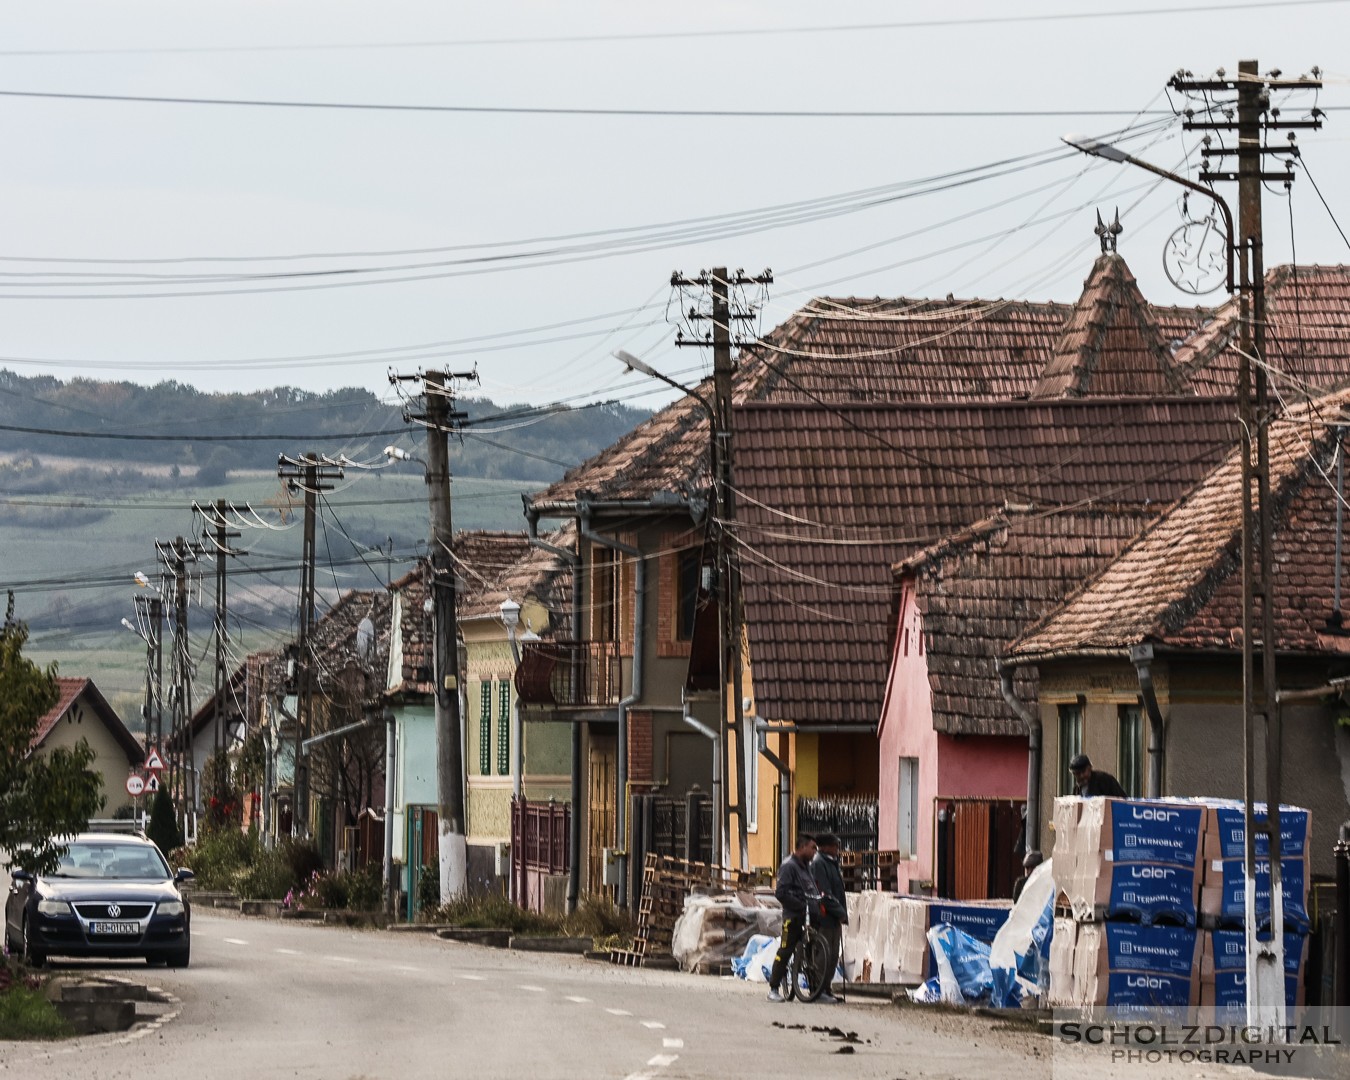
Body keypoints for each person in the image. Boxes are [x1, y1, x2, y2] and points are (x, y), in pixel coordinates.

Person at [767, 833, 817, 1003]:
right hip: (793, 916)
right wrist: (798, 904)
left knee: (811, 951)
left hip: (808, 915)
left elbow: (811, 888)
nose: (814, 852)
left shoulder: (806, 866)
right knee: (786, 950)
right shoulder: (789, 866)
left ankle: (815, 989)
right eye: (812, 848)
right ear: (802, 847)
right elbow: (780, 893)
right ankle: (773, 988)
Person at [810, 833, 849, 1004]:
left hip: (834, 919)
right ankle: (817, 990)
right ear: (825, 847)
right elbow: (824, 894)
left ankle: (826, 988)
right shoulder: (819, 864)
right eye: (835, 846)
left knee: (833, 956)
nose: (837, 849)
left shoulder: (831, 863)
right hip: (824, 917)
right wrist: (840, 912)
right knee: (822, 956)